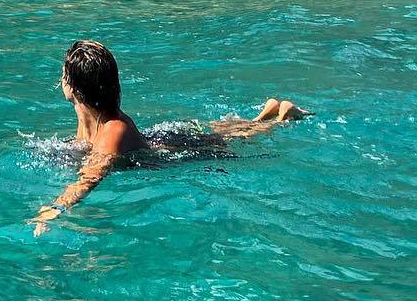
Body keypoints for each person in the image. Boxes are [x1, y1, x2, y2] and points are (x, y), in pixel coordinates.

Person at [31, 39, 305, 235]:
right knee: (219, 131)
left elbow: (91, 175)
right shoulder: (91, 119)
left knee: (225, 142)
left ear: (75, 87)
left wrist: (57, 207)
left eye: (65, 74)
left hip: (171, 155)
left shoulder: (113, 129)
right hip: (159, 139)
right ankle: (263, 116)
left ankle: (281, 120)